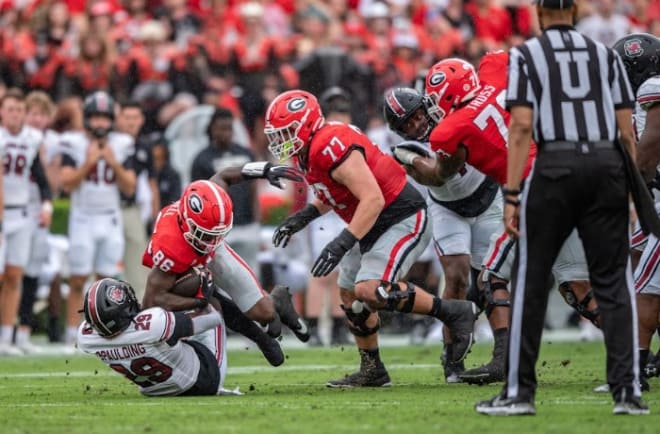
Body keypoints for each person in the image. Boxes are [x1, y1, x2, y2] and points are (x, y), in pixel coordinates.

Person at [476, 0, 648, 416]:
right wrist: (629, 190)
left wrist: (513, 194)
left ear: (538, 12)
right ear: (573, 10)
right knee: (614, 281)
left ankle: (519, 393)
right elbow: (627, 131)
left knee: (531, 281)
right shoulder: (604, 55)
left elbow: (519, 127)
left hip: (554, 167)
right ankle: (627, 392)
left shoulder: (526, 56)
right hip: (607, 164)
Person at [265, 89, 478, 387]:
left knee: (369, 290)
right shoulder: (311, 149)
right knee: (350, 294)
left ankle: (454, 311)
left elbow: (373, 198)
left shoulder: (328, 144)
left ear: (306, 123)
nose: (281, 139)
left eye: (287, 131)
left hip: (399, 215)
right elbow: (336, 191)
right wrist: (305, 216)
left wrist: (342, 242)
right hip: (373, 220)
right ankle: (372, 369)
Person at [384, 86, 502, 382]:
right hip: (447, 208)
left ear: (428, 106)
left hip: (489, 196)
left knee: (490, 278)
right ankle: (452, 355)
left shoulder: (457, 116)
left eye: (417, 116)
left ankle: (502, 353)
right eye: (407, 124)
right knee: (458, 277)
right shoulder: (407, 151)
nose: (416, 125)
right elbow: (438, 174)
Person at [142, 177, 309, 368]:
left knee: (264, 312)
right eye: (206, 233)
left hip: (215, 251)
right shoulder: (170, 246)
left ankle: (278, 299)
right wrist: (198, 300)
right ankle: (259, 338)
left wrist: (261, 169)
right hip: (188, 254)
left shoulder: (209, 228)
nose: (210, 239)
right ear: (187, 222)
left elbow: (225, 175)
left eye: (215, 233)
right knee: (202, 293)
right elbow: (152, 301)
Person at [59, 91, 137, 345]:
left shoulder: (123, 143)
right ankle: (73, 334)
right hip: (83, 217)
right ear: (87, 119)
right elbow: (66, 183)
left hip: (110, 216)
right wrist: (89, 163)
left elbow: (130, 187)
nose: (100, 123)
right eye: (95, 117)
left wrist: (112, 163)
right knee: (77, 278)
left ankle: (103, 333)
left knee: (106, 282)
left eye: (104, 117)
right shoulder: (74, 142)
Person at [77, 277, 232, 397]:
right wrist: (201, 299)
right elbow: (210, 319)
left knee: (167, 340)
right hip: (203, 381)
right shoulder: (154, 323)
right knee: (214, 308)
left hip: (153, 390)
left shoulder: (87, 338)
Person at [613, 32, 660, 392]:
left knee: (645, 286)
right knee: (636, 253)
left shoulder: (652, 89)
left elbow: (649, 148)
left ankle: (634, 370)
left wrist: (630, 186)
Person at [0, 89, 51, 356]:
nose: (15, 114)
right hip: (1, 213)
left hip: (20, 213)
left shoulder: (32, 139)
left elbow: (39, 176)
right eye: (10, 109)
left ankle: (7, 337)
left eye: (19, 109)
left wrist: (46, 203)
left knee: (14, 276)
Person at [191, 107, 261, 278]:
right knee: (222, 276)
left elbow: (254, 188)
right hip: (219, 228)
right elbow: (197, 197)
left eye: (229, 128)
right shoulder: (202, 159)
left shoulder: (246, 153)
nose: (226, 133)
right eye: (222, 128)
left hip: (246, 223)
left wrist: (257, 220)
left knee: (251, 273)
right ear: (212, 129)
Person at [16, 91, 57, 354]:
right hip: (13, 208)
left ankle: (23, 331)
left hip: (37, 211)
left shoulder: (49, 142)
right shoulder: (12, 138)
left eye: (42, 115)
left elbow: (52, 184)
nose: (37, 119)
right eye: (33, 113)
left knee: (31, 272)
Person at [115, 101, 159, 302]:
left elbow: (152, 182)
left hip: (133, 208)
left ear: (141, 120)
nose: (131, 122)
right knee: (104, 262)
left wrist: (155, 216)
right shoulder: (110, 142)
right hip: (110, 206)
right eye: (127, 117)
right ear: (119, 118)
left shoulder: (144, 147)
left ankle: (139, 309)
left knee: (138, 261)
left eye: (135, 118)